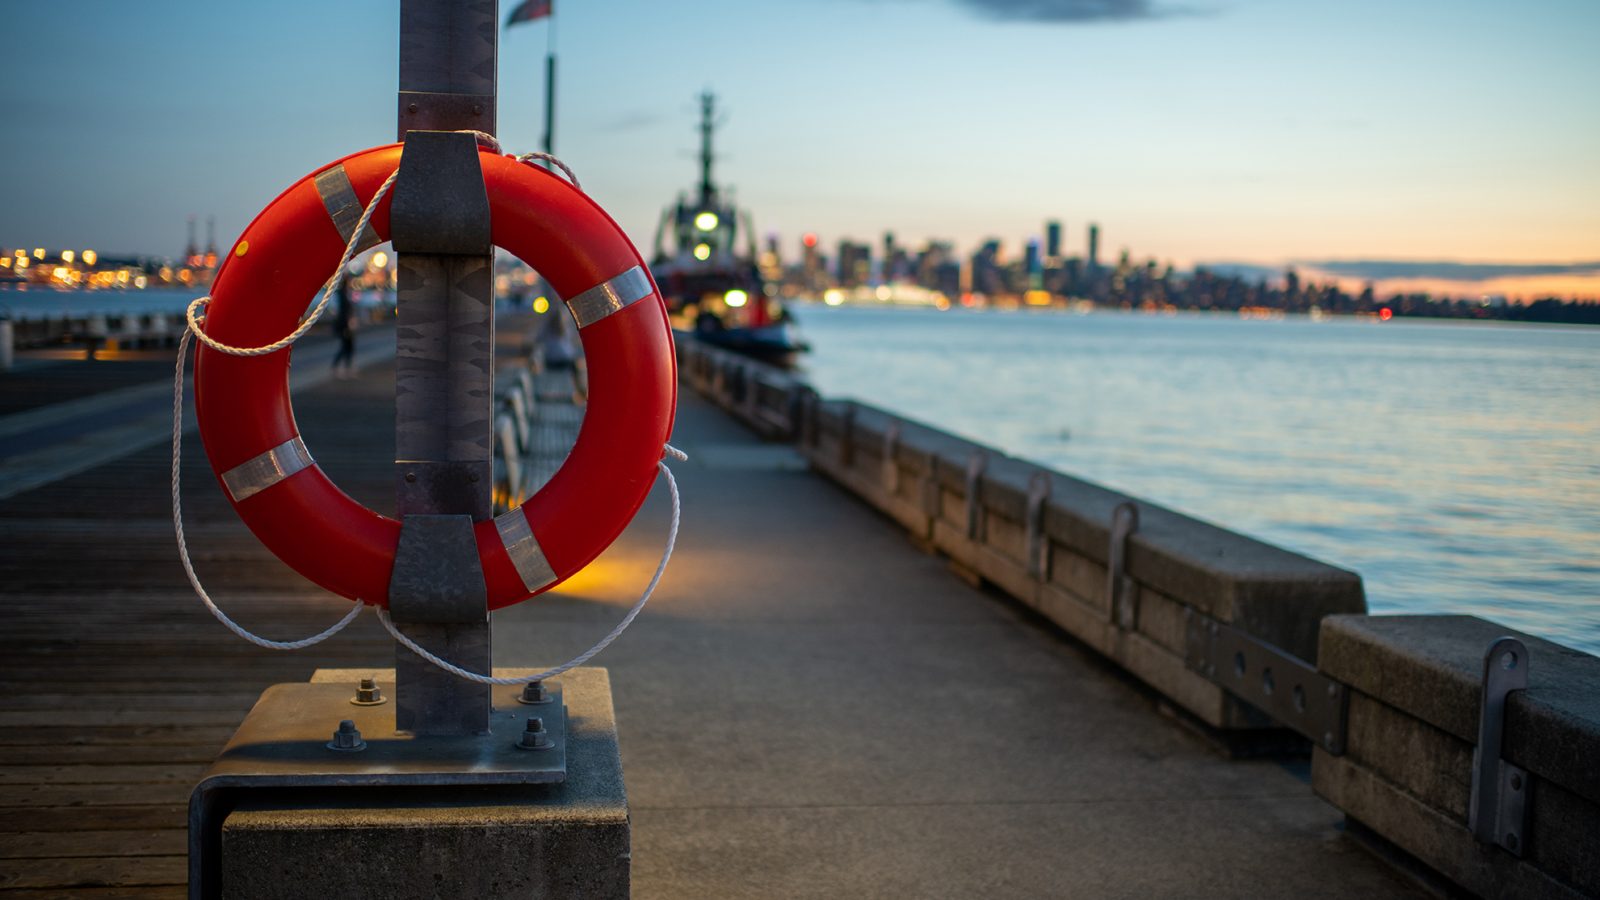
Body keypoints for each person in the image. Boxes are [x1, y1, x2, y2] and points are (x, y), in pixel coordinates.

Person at [330, 278, 357, 379]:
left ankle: (346, 368)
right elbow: (343, 312)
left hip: (345, 324)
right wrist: (347, 324)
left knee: (348, 347)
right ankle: (342, 367)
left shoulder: (344, 294)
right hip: (344, 325)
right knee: (346, 346)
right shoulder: (342, 295)